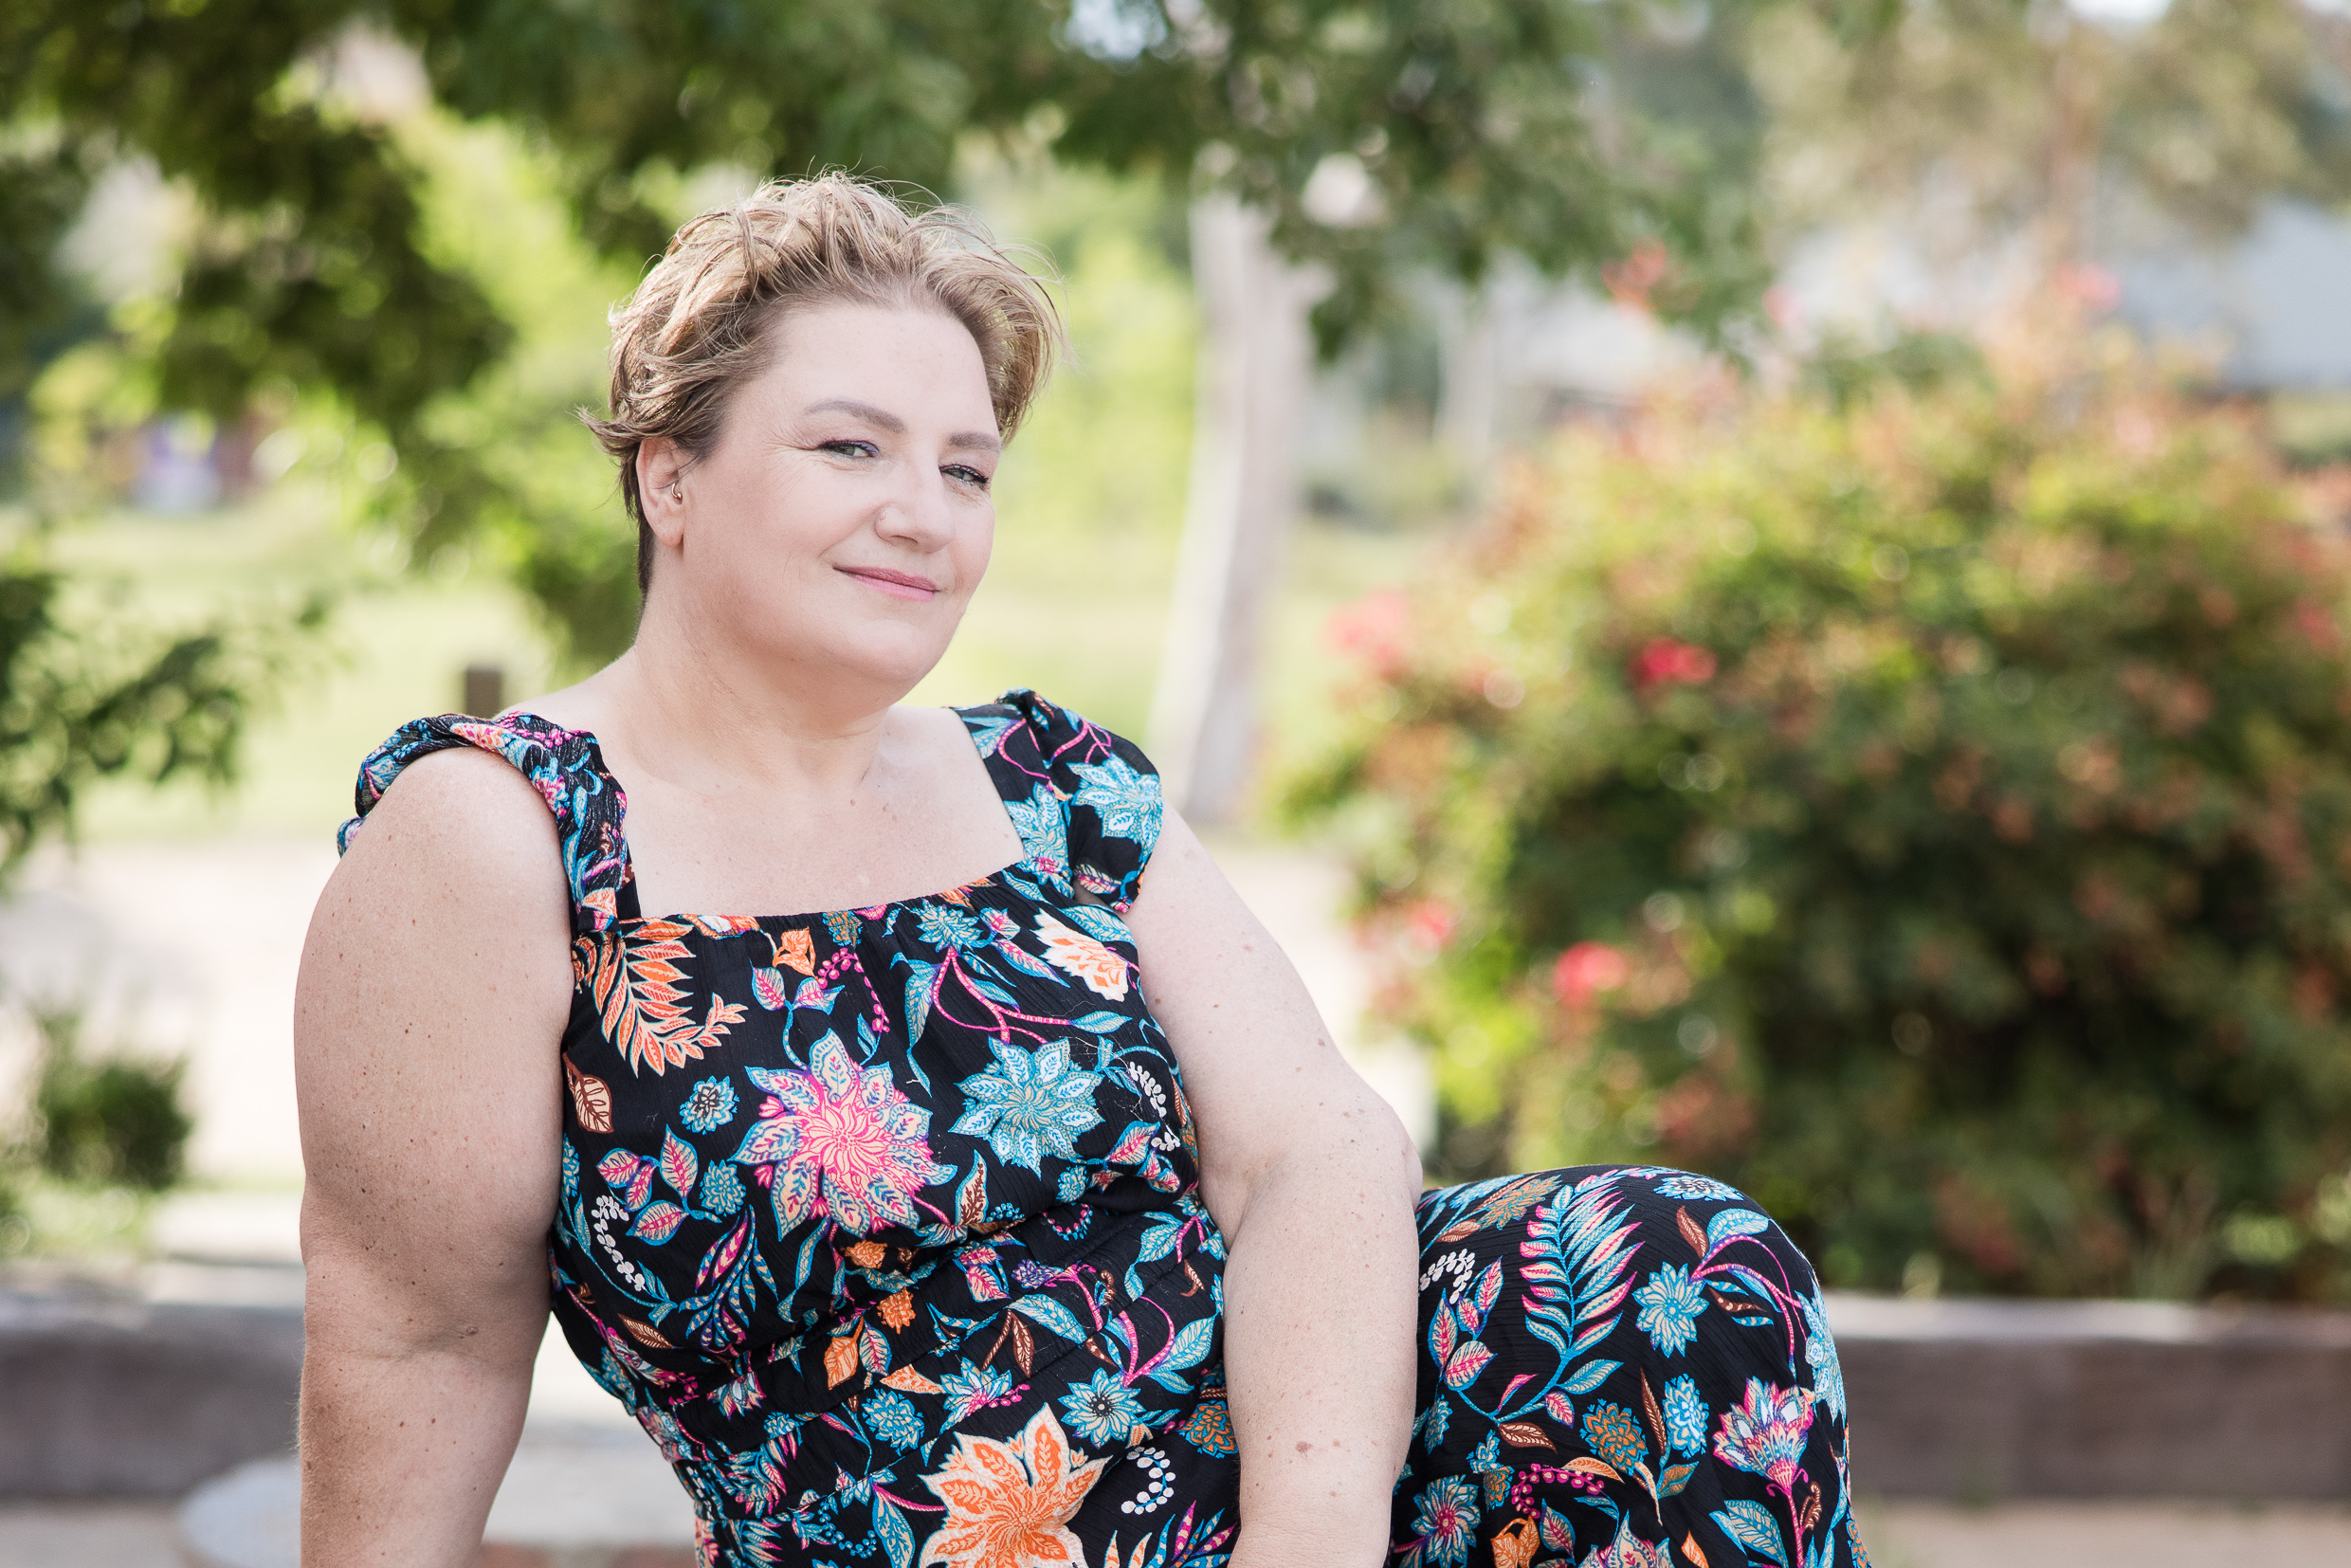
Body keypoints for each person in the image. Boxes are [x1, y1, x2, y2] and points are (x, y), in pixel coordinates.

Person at [296, 174, 1867, 1568]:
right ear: (669, 477)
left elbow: (1313, 1145)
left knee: (1689, 1267)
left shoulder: (1055, 786)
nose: (922, 516)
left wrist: (1309, 1532)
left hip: (1298, 1485)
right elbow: (416, 1343)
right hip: (940, 1529)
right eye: (851, 446)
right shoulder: (501, 832)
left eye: (967, 471)